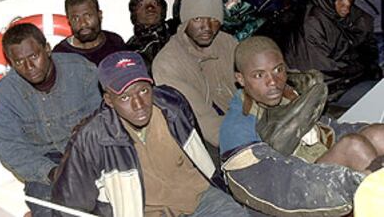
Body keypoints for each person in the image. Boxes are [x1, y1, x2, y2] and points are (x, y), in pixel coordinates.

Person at [51, 51, 251, 217]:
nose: (139, 104)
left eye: (144, 91)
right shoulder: (92, 139)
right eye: (125, 97)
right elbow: (69, 206)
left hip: (200, 199)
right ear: (109, 100)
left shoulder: (174, 106)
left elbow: (201, 154)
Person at [217, 36, 377, 216]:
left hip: (315, 171)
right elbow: (282, 187)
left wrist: (367, 132)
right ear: (240, 78)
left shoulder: (286, 96)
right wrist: (354, 181)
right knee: (354, 147)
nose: (273, 81)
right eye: (259, 75)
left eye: (278, 69)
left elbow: (332, 129)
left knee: (376, 134)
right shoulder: (236, 130)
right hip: (288, 201)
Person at [0, 23, 101, 216]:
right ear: (10, 63)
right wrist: (52, 172)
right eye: (19, 62)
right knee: (49, 209)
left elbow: (101, 120)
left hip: (86, 154)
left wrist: (84, 163)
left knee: (107, 204)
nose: (29, 67)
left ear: (47, 49)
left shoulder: (81, 70)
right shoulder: (6, 93)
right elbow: (10, 149)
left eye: (34, 56)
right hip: (44, 165)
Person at [153, 0, 237, 154]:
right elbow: (207, 124)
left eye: (213, 19)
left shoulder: (226, 42)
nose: (206, 27)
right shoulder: (167, 64)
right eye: (197, 18)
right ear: (185, 20)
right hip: (204, 143)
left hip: (241, 122)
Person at [284, 0, 381, 109]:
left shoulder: (346, 13)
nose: (347, 4)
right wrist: (360, 68)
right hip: (329, 93)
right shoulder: (312, 24)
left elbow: (368, 47)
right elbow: (321, 77)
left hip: (351, 79)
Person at [53, 0, 126, 65]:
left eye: (88, 16)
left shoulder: (115, 42)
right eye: (76, 19)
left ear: (99, 15)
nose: (83, 24)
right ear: (69, 21)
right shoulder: (60, 54)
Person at [127, 0, 177, 74]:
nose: (150, 8)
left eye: (154, 2)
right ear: (134, 12)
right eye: (142, 4)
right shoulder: (131, 49)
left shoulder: (177, 29)